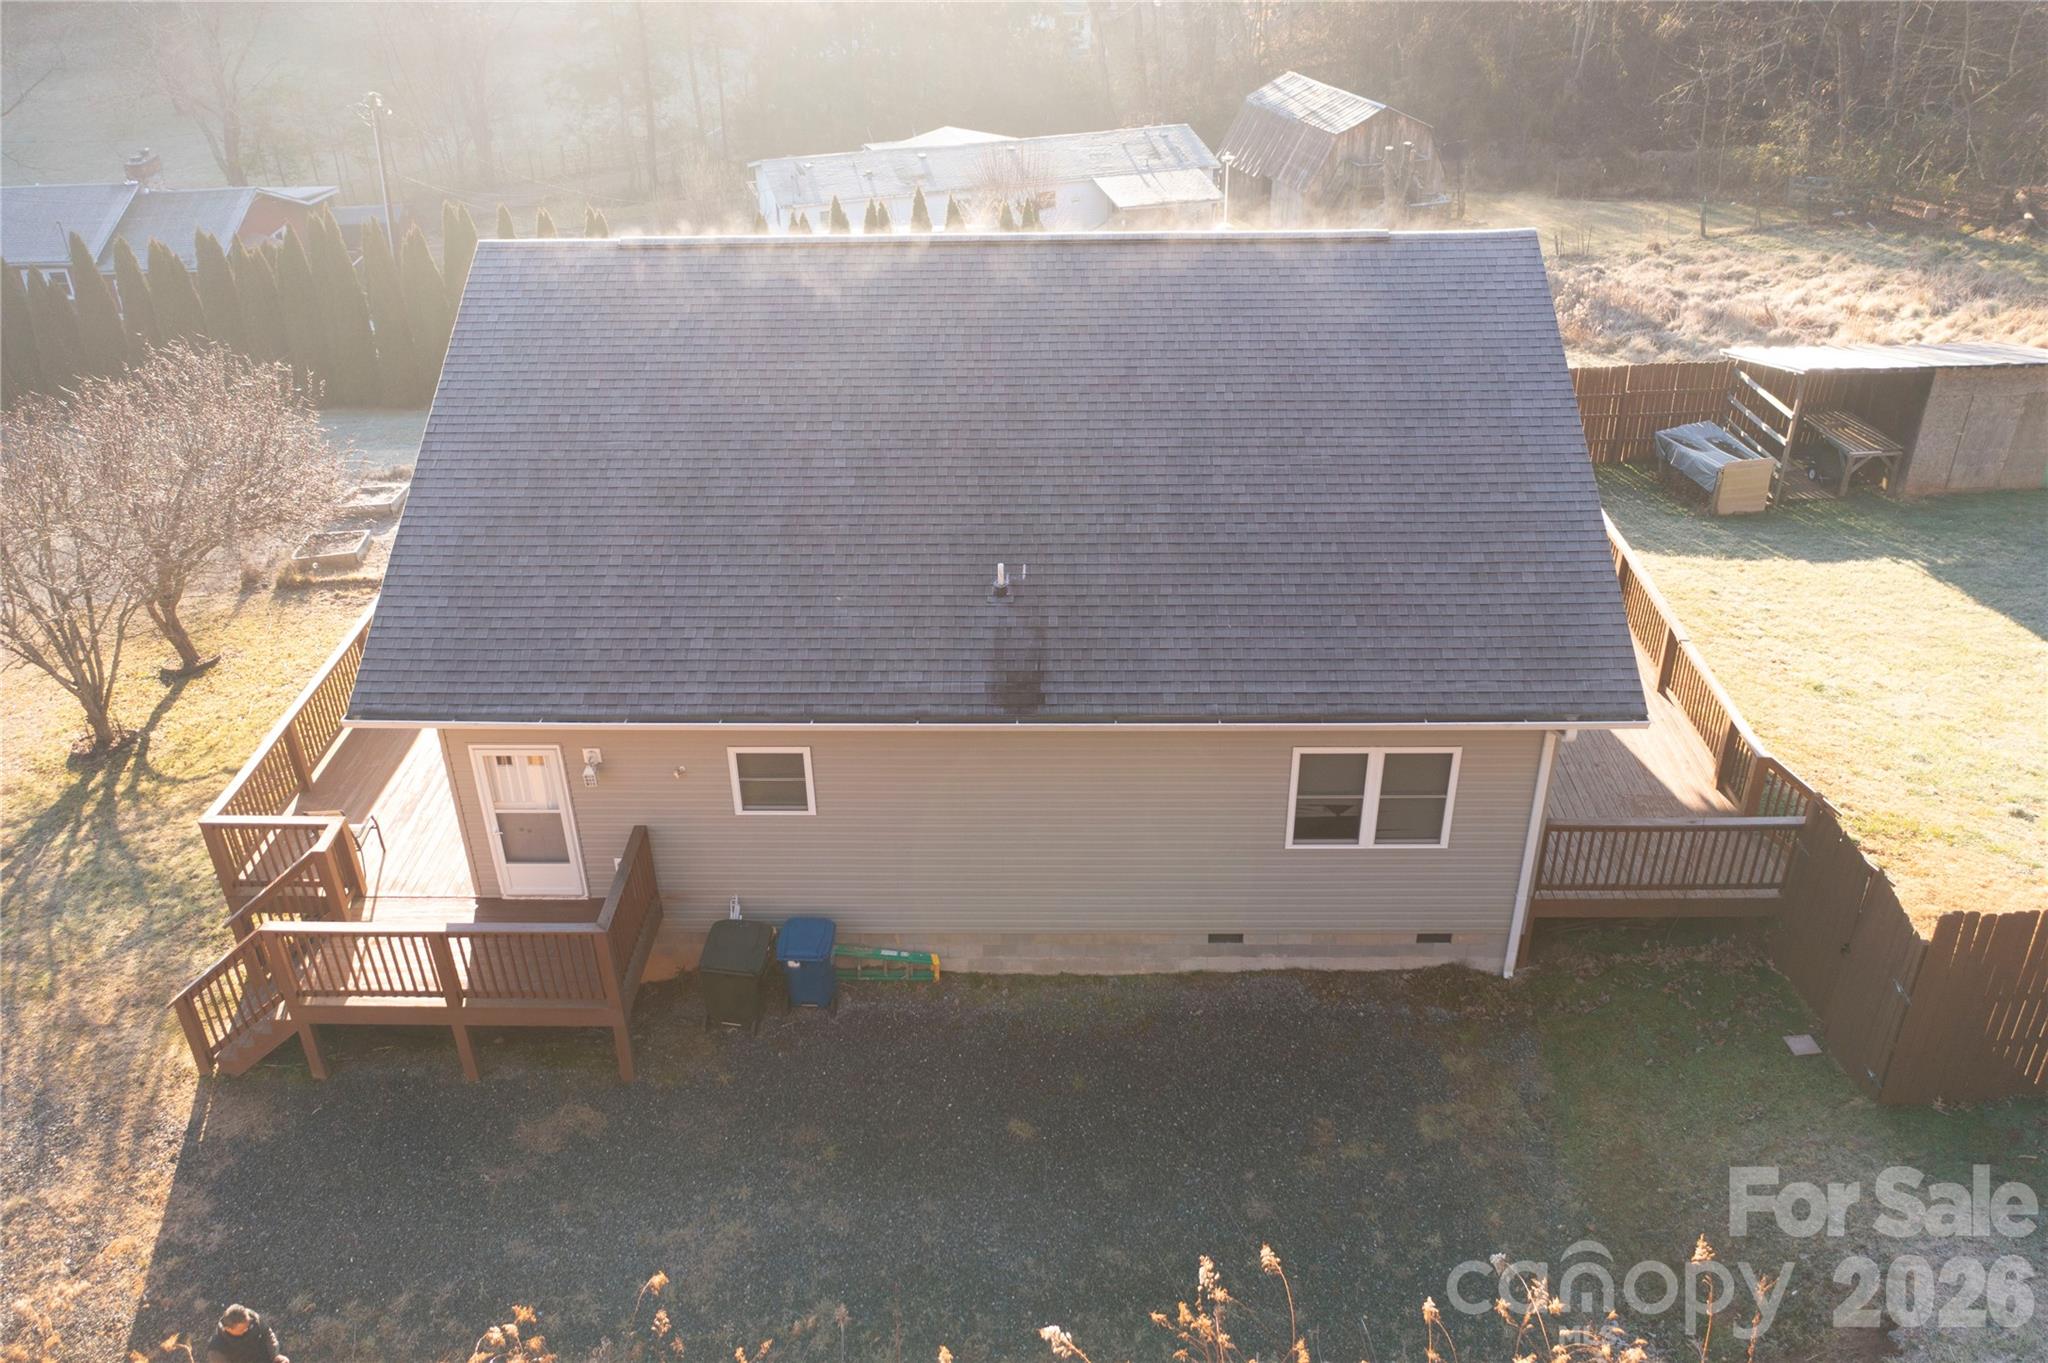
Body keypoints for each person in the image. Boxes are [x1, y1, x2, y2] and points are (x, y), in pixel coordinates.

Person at [206, 1304, 287, 1363]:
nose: (247, 1330)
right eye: (243, 1329)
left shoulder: (254, 1319)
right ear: (228, 1329)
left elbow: (267, 1334)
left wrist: (275, 1355)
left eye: (248, 1325)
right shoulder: (216, 1350)